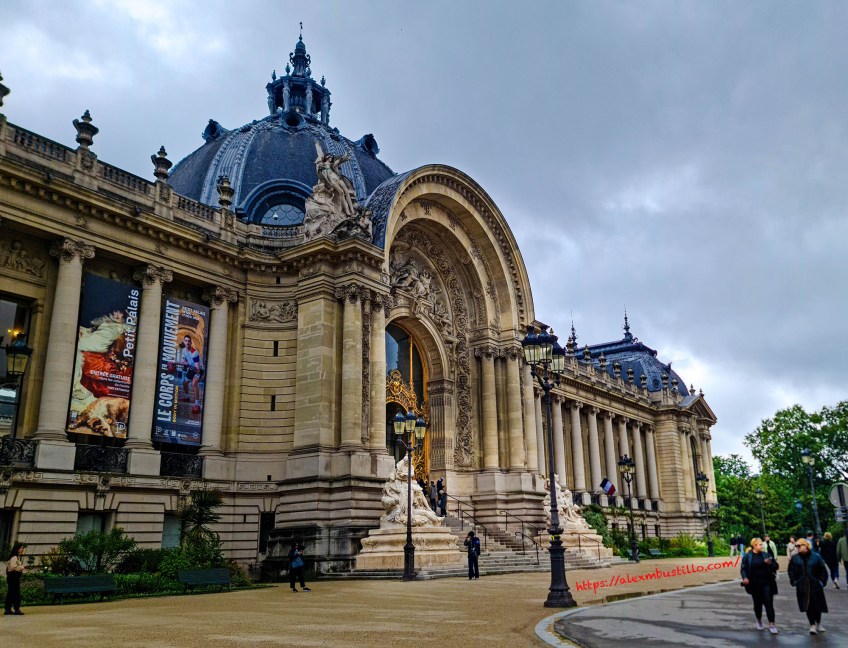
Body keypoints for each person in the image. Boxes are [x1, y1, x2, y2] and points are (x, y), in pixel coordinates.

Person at [788, 537, 829, 634]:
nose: (797, 548)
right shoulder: (795, 558)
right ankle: (812, 624)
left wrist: (821, 582)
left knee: (817, 605)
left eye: (799, 546)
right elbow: (791, 571)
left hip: (815, 585)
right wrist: (795, 581)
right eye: (796, 546)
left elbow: (823, 570)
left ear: (806, 546)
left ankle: (818, 623)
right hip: (802, 586)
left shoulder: (816, 557)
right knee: (807, 605)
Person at [740, 537, 779, 634]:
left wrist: (770, 563)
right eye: (760, 544)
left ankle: (772, 624)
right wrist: (745, 577)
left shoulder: (766, 555)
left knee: (769, 604)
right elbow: (743, 569)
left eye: (762, 544)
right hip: (755, 585)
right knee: (757, 604)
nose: (762, 546)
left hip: (767, 583)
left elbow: (776, 566)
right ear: (754, 545)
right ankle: (759, 620)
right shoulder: (747, 556)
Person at [178, 334, 204, 417]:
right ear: (184, 342)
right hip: (191, 368)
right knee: (185, 383)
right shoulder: (184, 351)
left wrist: (188, 365)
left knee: (194, 383)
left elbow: (198, 369)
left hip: (199, 369)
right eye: (186, 341)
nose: (187, 342)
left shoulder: (194, 352)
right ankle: (187, 398)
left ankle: (197, 405)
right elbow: (183, 361)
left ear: (191, 342)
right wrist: (175, 363)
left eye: (189, 341)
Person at [4, 543, 25, 615]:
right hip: (14, 577)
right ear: (17, 549)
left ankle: (8, 609)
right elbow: (13, 567)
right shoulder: (14, 557)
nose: (22, 549)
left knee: (11, 593)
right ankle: (16, 609)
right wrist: (21, 567)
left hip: (12, 577)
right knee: (16, 593)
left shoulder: (14, 557)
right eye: (21, 548)